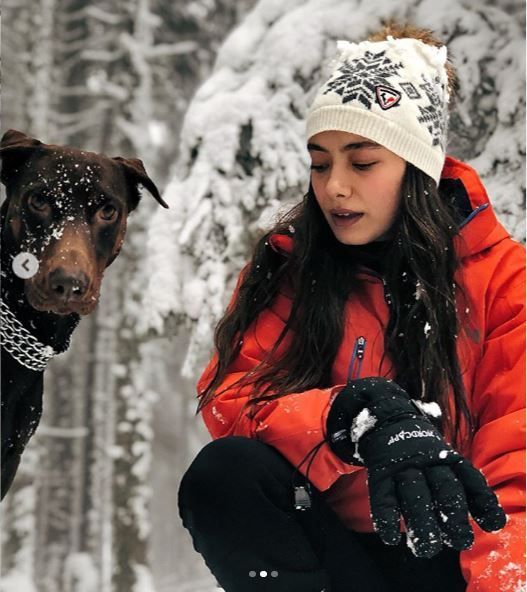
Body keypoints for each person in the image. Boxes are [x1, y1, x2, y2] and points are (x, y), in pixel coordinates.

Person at [177, 22, 525, 592]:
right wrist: (345, 422)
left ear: (418, 168)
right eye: (320, 163)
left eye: (361, 164)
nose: (334, 186)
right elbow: (233, 402)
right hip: (332, 560)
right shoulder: (291, 267)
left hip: (448, 561)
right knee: (226, 474)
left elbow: (519, 469)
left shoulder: (503, 279)